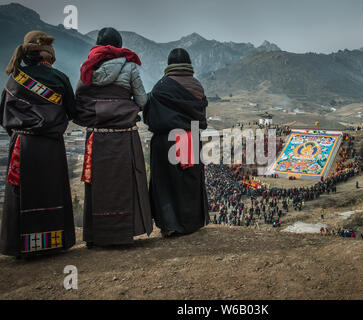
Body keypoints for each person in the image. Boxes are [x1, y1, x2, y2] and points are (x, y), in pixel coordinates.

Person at [74, 28, 152, 247]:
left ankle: (98, 236)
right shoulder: (129, 67)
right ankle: (123, 233)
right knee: (124, 182)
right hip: (123, 136)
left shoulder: (88, 67)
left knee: (98, 184)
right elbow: (142, 100)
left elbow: (78, 102)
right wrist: (124, 107)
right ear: (119, 45)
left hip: (96, 137)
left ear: (98, 44)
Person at [0, 31, 76, 258]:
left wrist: (20, 132)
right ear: (49, 56)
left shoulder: (14, 80)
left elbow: (4, 115)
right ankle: (53, 243)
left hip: (23, 144)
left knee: (21, 193)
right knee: (52, 192)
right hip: (51, 146)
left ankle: (20, 246)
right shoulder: (60, 78)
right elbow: (72, 111)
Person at [144, 48, 209, 237]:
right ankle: (191, 223)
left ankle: (169, 224)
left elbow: (150, 116)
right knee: (188, 181)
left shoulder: (161, 87)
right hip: (191, 138)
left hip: (166, 141)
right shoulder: (197, 86)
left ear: (169, 65)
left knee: (165, 183)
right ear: (189, 64)